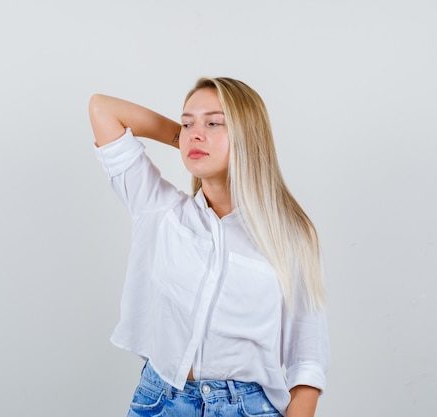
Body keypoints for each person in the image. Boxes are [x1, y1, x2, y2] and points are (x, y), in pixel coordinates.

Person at [89, 77, 329, 417]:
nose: (195, 132)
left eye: (214, 122)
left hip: (248, 408)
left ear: (248, 136)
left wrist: (205, 139)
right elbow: (102, 108)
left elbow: (307, 359)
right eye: (188, 123)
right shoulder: (160, 211)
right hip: (160, 402)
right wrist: (189, 139)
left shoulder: (291, 236)